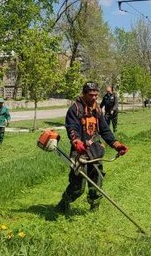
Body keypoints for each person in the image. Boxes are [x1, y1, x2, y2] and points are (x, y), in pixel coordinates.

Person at [55, 81, 128, 213]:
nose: (94, 97)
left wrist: (116, 145)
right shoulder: (75, 109)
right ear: (84, 94)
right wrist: (76, 142)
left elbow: (105, 130)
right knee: (78, 186)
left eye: (96, 95)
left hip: (95, 152)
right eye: (91, 95)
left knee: (97, 181)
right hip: (80, 153)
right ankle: (63, 204)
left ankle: (94, 208)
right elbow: (72, 128)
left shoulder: (97, 110)